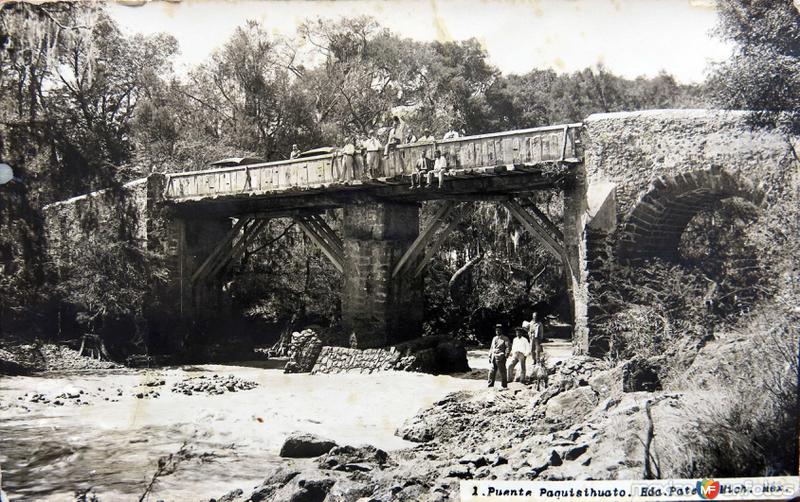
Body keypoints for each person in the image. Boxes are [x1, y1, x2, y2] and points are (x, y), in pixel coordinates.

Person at [488, 324, 511, 389]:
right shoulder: (494, 338)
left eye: (499, 330)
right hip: (493, 357)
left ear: (501, 330)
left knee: (502, 372)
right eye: (496, 330)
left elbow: (508, 348)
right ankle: (490, 385)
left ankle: (504, 386)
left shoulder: (505, 338)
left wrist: (505, 356)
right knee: (491, 372)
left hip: (500, 357)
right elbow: (491, 348)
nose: (497, 331)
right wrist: (490, 356)